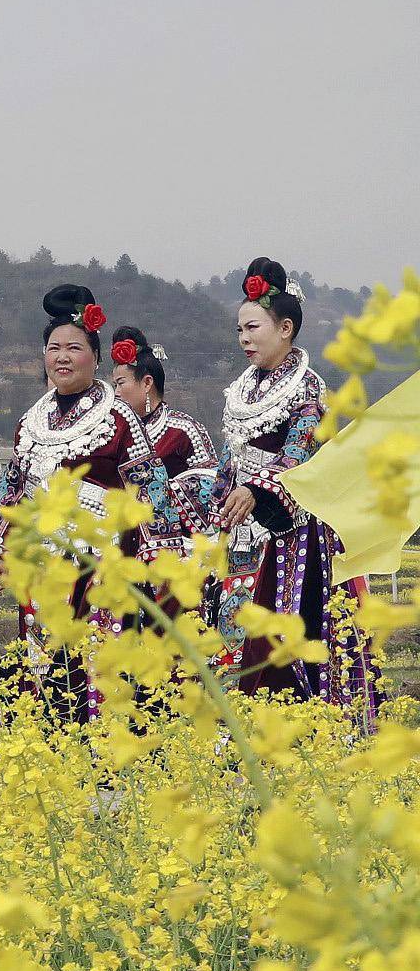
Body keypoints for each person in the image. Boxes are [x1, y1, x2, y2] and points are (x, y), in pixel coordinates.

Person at [0, 284, 168, 720]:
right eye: (53, 347)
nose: (62, 357)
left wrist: (159, 558)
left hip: (103, 558)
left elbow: (150, 488)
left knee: (100, 654)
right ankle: (58, 747)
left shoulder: (118, 417)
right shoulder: (30, 422)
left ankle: (108, 751)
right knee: (45, 657)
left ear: (95, 357)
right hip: (43, 560)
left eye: (74, 347)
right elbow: (13, 489)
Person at [211, 257, 376, 723]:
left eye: (253, 327)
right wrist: (219, 496)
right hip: (245, 529)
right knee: (236, 630)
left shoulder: (309, 388)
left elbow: (299, 453)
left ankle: (303, 739)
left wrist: (256, 491)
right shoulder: (242, 389)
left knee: (287, 638)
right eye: (239, 329)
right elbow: (233, 454)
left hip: (295, 537)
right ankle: (246, 742)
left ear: (285, 328)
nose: (244, 338)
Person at [107, 324, 221, 613]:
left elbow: (211, 487)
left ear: (147, 383)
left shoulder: (183, 430)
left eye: (120, 384)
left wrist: (157, 496)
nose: (115, 393)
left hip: (176, 552)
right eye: (112, 385)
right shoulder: (110, 432)